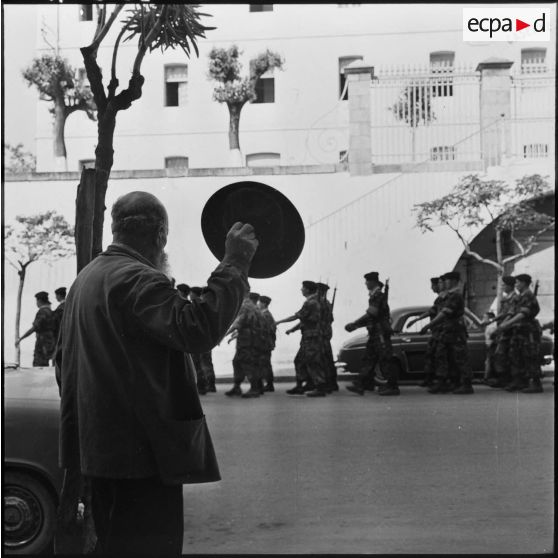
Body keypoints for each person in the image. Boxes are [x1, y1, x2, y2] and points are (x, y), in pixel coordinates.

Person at [55, 191, 257, 555]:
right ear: (161, 235)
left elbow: (62, 363)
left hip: (101, 452)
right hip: (140, 460)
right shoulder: (138, 279)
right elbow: (197, 330)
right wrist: (235, 262)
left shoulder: (87, 277)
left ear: (116, 229)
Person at [345, 272, 400, 396]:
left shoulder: (378, 296)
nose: (365, 283)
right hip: (375, 333)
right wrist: (356, 325)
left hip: (380, 334)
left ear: (373, 282)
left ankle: (392, 387)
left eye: (367, 281)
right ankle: (363, 384)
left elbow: (372, 314)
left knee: (385, 359)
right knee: (369, 359)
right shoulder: (375, 295)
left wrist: (354, 324)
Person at [421, 271, 474, 394]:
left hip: (455, 332)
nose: (445, 283)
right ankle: (450, 382)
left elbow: (444, 313)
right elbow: (436, 311)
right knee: (448, 357)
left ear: (454, 281)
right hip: (448, 331)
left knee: (460, 358)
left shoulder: (455, 295)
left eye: (447, 280)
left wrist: (428, 325)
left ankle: (466, 385)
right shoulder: (449, 296)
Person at [277, 280, 329, 397]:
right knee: (300, 360)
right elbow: (305, 320)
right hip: (309, 336)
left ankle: (320, 387)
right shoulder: (315, 302)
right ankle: (302, 385)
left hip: (312, 337)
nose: (301, 290)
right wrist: (292, 330)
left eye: (303, 288)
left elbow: (297, 316)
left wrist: (280, 322)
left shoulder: (310, 303)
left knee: (312, 361)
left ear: (308, 290)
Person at [492, 273, 543, 393]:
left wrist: (507, 324)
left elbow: (522, 314)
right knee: (516, 356)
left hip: (528, 331)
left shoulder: (529, 296)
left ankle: (535, 383)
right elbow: (511, 312)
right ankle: (519, 380)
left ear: (524, 283)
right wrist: (502, 322)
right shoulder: (520, 297)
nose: (516, 285)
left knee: (530, 356)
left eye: (518, 282)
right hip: (518, 331)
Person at [225, 292, 266, 398]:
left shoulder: (245, 306)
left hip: (246, 341)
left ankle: (254, 388)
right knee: (238, 362)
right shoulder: (254, 307)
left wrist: (224, 335)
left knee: (247, 363)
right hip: (253, 339)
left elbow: (238, 323)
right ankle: (238, 387)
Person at [407, 276, 445, 388]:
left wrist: (424, 324)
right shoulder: (439, 299)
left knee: (439, 357)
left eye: (432, 285)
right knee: (431, 355)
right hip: (437, 332)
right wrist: (417, 319)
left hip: (441, 331)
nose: (431, 288)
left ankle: (439, 381)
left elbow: (438, 314)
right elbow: (431, 311)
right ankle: (430, 379)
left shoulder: (443, 298)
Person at [486, 276, 517, 388]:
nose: (502, 286)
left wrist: (502, 326)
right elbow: (503, 313)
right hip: (503, 330)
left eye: (504, 285)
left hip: (510, 330)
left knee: (507, 355)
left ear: (509, 285)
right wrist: (493, 320)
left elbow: (511, 314)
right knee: (501, 355)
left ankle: (508, 379)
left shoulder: (515, 298)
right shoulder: (506, 298)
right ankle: (503, 378)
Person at [16, 291, 56, 366]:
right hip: (50, 341)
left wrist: (21, 338)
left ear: (40, 301)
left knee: (39, 364)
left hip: (42, 342)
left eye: (36, 301)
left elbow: (34, 328)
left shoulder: (42, 312)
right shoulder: (50, 311)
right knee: (45, 364)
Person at [317, 282, 338, 392]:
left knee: (323, 359)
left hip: (322, 333)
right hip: (326, 333)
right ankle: (332, 383)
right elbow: (331, 319)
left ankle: (327, 384)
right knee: (328, 359)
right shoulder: (327, 303)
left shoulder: (320, 304)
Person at [258, 295, 277, 392]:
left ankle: (269, 384)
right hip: (265, 342)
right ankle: (268, 384)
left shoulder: (265, 315)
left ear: (264, 304)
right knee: (264, 364)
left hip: (264, 343)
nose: (258, 304)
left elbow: (267, 330)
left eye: (259, 302)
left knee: (265, 364)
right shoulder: (265, 314)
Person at [481, 311, 498, 383]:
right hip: (492, 345)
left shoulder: (491, 327)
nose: (483, 319)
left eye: (485, 318)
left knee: (489, 361)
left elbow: (490, 339)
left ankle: (487, 377)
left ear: (490, 319)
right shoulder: (492, 325)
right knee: (488, 361)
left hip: (492, 346)